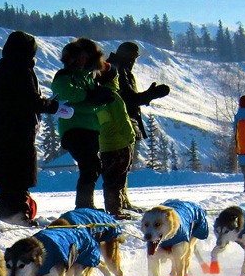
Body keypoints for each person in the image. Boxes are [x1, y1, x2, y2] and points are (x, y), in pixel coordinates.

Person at [0, 31, 59, 225]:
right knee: (20, 173)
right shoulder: (21, 69)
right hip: (18, 131)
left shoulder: (2, 67)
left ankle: (5, 214)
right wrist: (54, 106)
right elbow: (30, 100)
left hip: (0, 131)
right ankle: (19, 214)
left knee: (7, 176)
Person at [107, 41, 170, 212]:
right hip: (120, 123)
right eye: (134, 58)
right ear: (128, 57)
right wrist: (150, 95)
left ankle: (122, 201)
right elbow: (128, 99)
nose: (135, 61)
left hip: (124, 122)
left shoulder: (120, 69)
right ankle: (117, 204)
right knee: (119, 165)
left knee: (123, 165)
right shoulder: (117, 71)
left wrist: (148, 95)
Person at [51, 38, 114, 210]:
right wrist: (90, 97)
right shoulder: (65, 75)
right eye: (80, 56)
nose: (83, 59)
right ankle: (84, 205)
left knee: (93, 166)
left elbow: (96, 105)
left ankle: (86, 205)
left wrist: (90, 100)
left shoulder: (89, 79)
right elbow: (67, 93)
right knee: (90, 165)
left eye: (86, 56)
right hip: (74, 128)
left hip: (91, 128)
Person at [93, 58, 137, 219]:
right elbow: (122, 120)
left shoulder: (96, 96)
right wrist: (130, 137)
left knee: (109, 178)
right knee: (118, 178)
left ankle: (112, 208)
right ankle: (116, 210)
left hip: (105, 144)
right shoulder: (113, 96)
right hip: (120, 143)